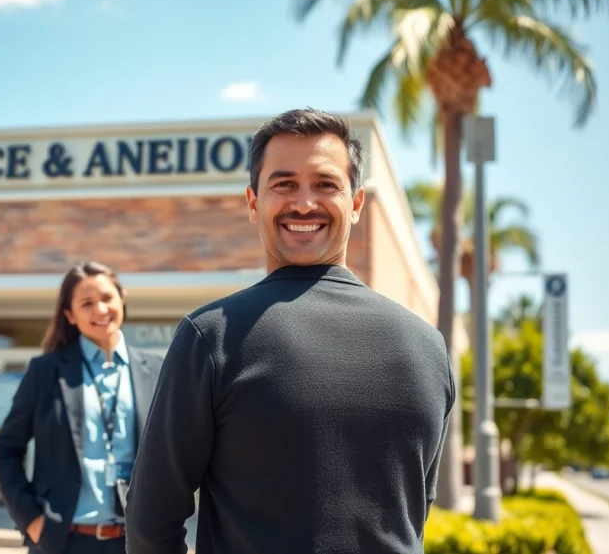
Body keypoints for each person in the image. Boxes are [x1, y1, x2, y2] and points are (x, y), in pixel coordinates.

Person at [125, 108, 455, 554]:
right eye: (284, 184)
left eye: (325, 184)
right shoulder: (429, 347)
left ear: (356, 204)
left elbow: (149, 527)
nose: (304, 203)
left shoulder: (211, 336)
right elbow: (417, 517)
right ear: (253, 201)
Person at [0, 261, 165, 554]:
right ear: (70, 315)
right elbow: (5, 450)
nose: (100, 310)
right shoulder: (45, 371)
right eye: (87, 304)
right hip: (64, 541)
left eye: (107, 298)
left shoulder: (158, 369)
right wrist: (31, 519)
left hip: (137, 542)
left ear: (122, 299)